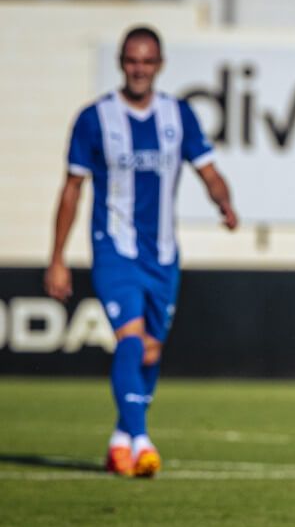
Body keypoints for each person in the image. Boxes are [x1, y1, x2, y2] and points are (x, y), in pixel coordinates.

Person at [44, 25, 238, 477]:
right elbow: (72, 188)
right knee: (130, 338)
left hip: (163, 254)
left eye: (147, 62)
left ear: (160, 65)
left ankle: (118, 441)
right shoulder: (95, 119)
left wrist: (224, 202)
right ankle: (141, 440)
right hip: (114, 248)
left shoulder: (178, 116)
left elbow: (208, 171)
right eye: (132, 60)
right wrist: (57, 257)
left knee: (151, 350)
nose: (139, 69)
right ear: (121, 63)